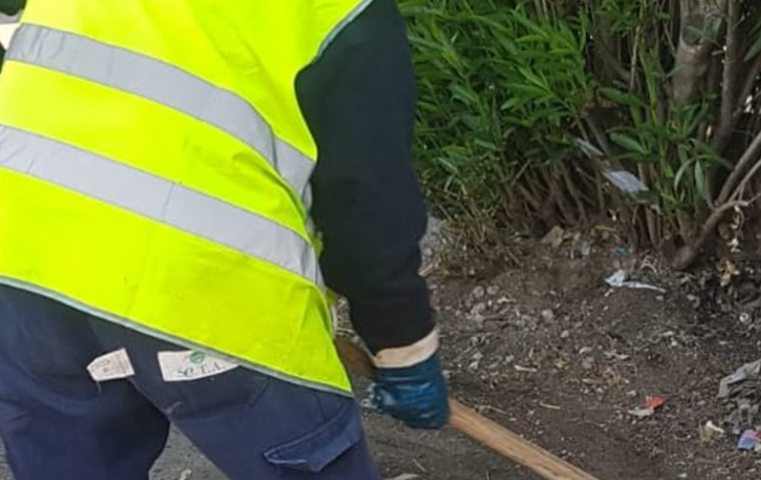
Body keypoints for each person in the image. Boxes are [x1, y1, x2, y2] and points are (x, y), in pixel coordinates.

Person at [0, 0, 449, 479]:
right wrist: (404, 346)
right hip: (201, 280)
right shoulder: (340, 11)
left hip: (22, 253)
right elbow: (366, 204)